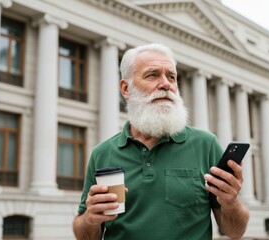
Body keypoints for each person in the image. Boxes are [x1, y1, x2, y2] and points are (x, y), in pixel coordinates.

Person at [73, 43, 249, 240]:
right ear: (125, 88)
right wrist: (90, 218)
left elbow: (235, 232)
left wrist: (231, 201)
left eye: (171, 77)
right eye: (152, 75)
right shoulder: (102, 153)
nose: (166, 84)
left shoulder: (205, 144)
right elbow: (85, 236)